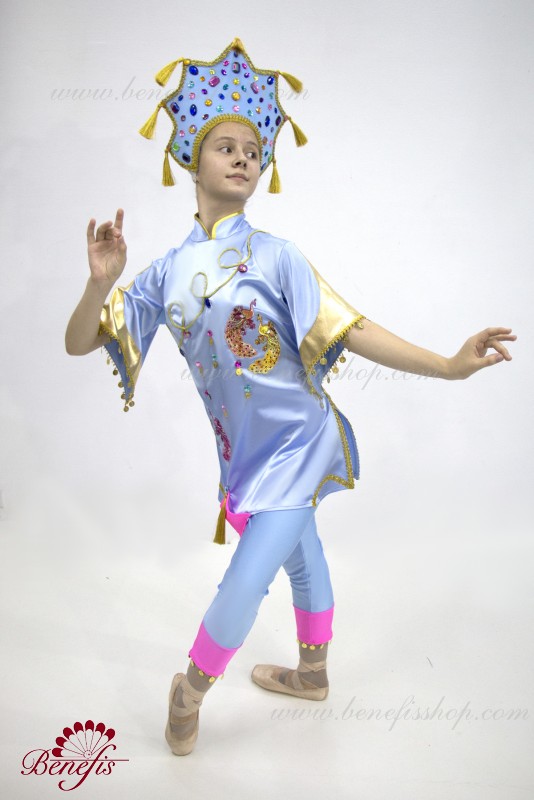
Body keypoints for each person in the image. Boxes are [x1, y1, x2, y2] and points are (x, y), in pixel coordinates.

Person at [65, 39, 516, 756]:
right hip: (243, 457)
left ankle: (190, 690)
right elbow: (80, 341)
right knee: (302, 553)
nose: (244, 159)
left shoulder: (277, 255)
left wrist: (446, 366)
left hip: (302, 438)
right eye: (227, 148)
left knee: (248, 577)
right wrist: (99, 284)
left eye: (254, 150)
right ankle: (312, 674)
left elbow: (351, 327)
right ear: (192, 161)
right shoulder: (164, 275)